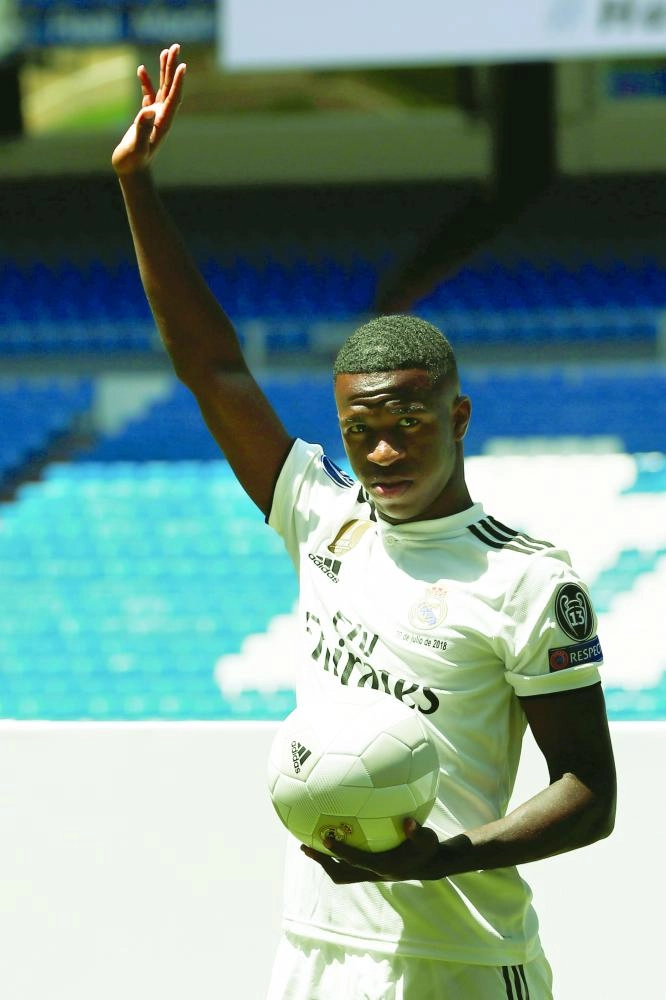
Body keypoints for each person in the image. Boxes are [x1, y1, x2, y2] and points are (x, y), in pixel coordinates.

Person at [112, 44, 617, 1000]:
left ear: (458, 419)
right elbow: (213, 370)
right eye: (361, 432)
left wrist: (447, 858)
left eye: (408, 427)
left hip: (462, 960)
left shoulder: (528, 582)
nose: (382, 454)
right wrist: (137, 185)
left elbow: (590, 794)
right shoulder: (321, 516)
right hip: (315, 950)